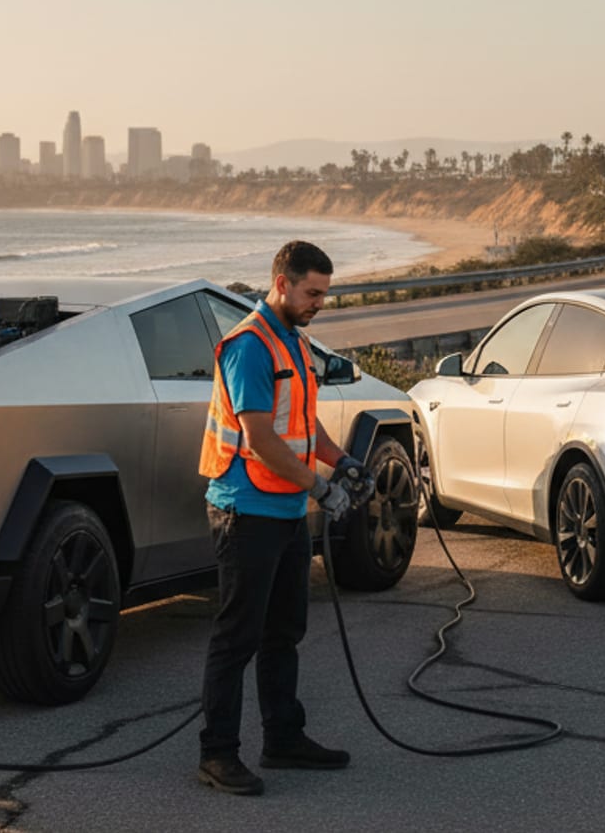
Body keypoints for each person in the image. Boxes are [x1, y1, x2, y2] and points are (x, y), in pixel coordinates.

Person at [196, 240, 367, 796]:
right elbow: (261, 437)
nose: (319, 302)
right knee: (236, 638)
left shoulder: (293, 340)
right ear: (282, 282)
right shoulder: (250, 345)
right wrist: (321, 486)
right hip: (245, 511)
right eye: (312, 292)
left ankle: (283, 738)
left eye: (324, 293)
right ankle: (217, 756)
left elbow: (302, 422)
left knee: (284, 632)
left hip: (287, 508)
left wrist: (342, 462)